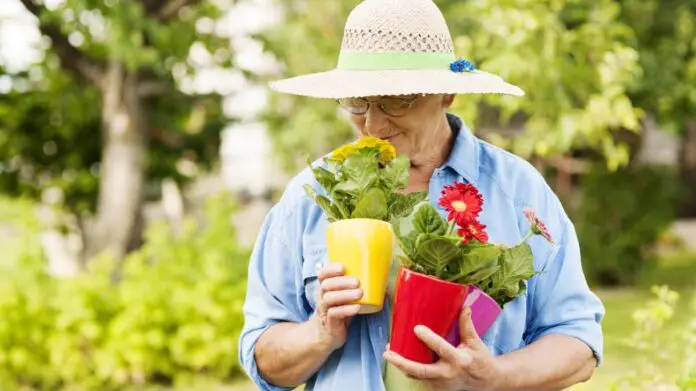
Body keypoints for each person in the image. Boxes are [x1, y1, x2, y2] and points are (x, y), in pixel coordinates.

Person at [238, 0, 605, 390]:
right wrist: (319, 332)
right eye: (358, 101)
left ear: (447, 94)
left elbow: (577, 341)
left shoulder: (518, 192)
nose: (373, 124)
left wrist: (494, 377)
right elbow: (262, 357)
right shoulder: (312, 196)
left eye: (396, 100)